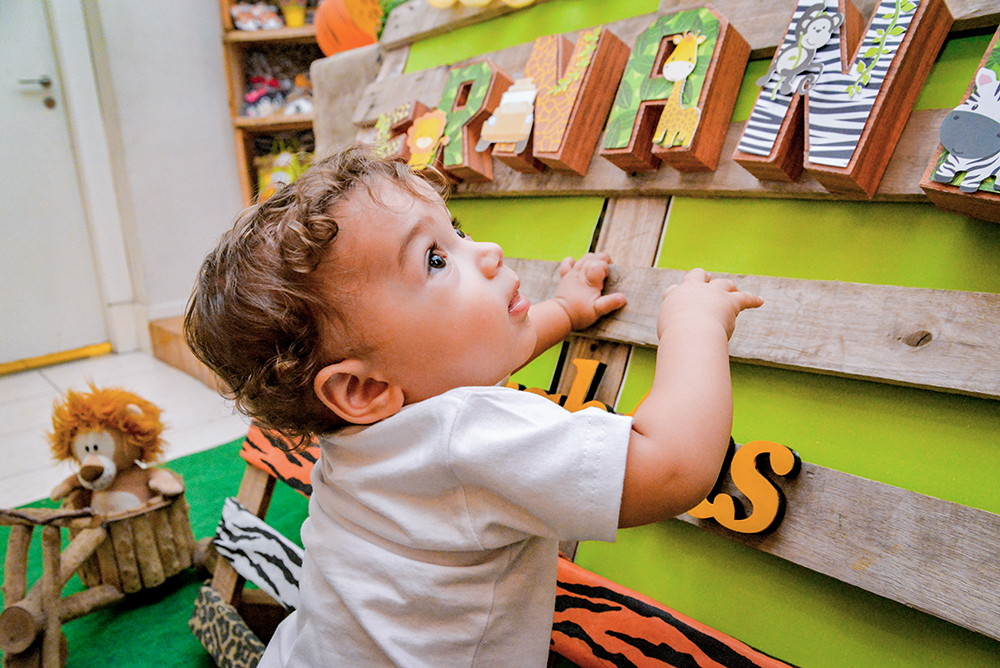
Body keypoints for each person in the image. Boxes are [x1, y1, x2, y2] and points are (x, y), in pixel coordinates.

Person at [185, 147, 763, 667]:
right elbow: (673, 466)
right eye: (435, 259)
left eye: (454, 230)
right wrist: (694, 324)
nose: (487, 251)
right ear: (360, 391)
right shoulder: (463, 440)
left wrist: (565, 309)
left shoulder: (371, 429)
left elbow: (472, 355)